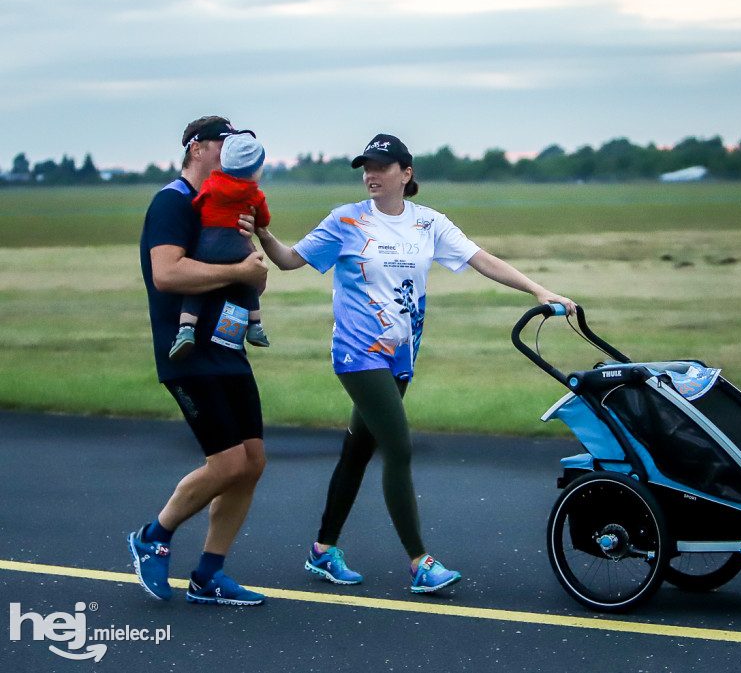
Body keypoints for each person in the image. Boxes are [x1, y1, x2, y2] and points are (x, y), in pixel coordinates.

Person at [254, 133, 577, 594]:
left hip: (401, 354)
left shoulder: (428, 224)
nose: (371, 174)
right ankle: (420, 562)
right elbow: (288, 261)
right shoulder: (345, 220)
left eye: (381, 167)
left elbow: (480, 259)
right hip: (358, 352)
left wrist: (538, 290)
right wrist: (264, 232)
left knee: (358, 451)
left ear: (405, 174)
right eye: (366, 166)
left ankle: (323, 551)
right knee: (399, 448)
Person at [130, 115, 270, 606]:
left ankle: (209, 574)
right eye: (224, 144)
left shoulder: (230, 201)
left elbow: (247, 270)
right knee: (227, 461)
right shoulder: (172, 202)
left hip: (227, 345)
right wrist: (236, 268)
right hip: (186, 349)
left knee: (251, 463)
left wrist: (252, 272)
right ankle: (153, 535)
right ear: (197, 149)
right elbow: (167, 273)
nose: (232, 153)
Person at [170, 131, 272, 361]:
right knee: (246, 283)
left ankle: (186, 329)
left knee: (196, 288)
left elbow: (197, 204)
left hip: (208, 247)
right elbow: (263, 221)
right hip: (238, 249)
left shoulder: (211, 184)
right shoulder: (255, 193)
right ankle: (254, 326)